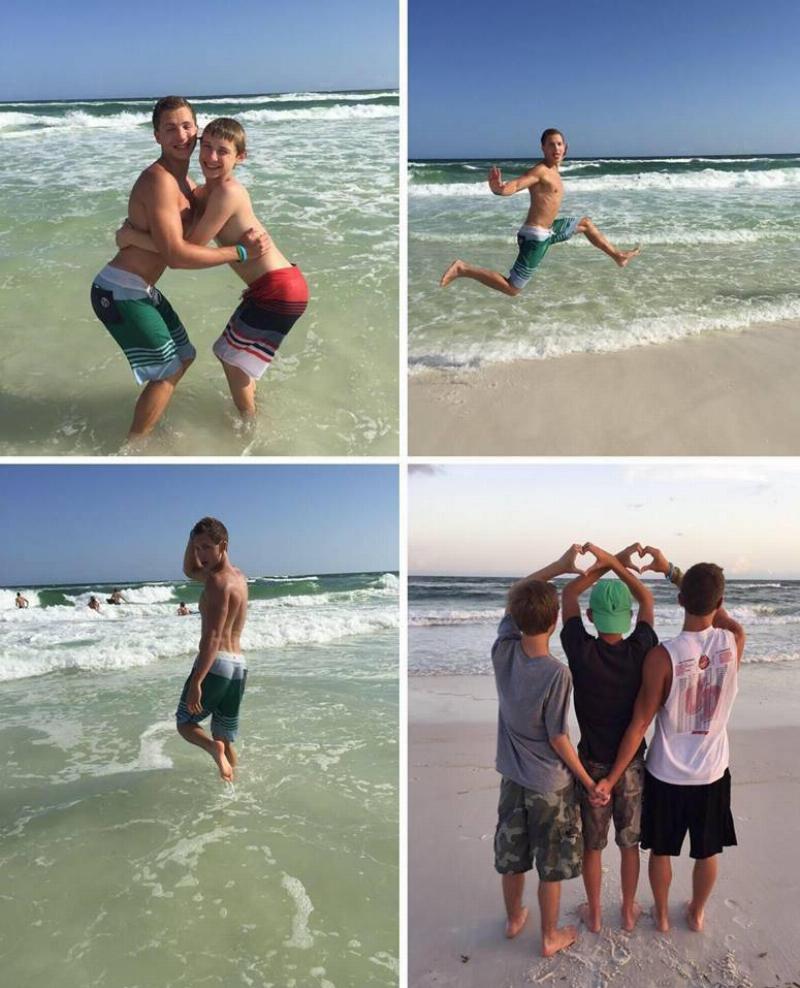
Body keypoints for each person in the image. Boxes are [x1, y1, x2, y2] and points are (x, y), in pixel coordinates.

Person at [90, 96, 270, 445]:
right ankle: (134, 447)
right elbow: (176, 254)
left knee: (184, 356)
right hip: (118, 290)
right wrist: (239, 252)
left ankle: (149, 423)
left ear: (197, 130)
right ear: (156, 136)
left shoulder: (186, 183)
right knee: (168, 370)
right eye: (170, 128)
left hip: (140, 288)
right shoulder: (158, 180)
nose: (181, 135)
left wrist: (133, 237)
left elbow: (185, 240)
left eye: (187, 126)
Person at [117, 117, 308, 423]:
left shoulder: (227, 193)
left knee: (230, 357)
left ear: (240, 157)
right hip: (274, 286)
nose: (212, 157)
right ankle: (253, 410)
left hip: (279, 287)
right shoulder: (206, 192)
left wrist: (132, 237)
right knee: (233, 354)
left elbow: (188, 248)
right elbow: (184, 223)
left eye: (223, 151)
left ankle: (249, 423)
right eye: (206, 147)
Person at [595, 563, 745, 933]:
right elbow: (722, 616)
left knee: (661, 850)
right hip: (711, 771)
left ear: (679, 602)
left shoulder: (662, 657)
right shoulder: (733, 640)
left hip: (667, 773)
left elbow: (639, 723)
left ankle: (661, 915)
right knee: (707, 851)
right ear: (720, 602)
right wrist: (671, 569)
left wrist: (611, 777)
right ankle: (696, 912)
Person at [492, 545, 609, 958]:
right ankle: (549, 935)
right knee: (551, 864)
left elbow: (519, 592)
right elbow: (559, 738)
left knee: (512, 855)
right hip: (550, 786)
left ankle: (513, 919)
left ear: (515, 616)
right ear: (556, 620)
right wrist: (588, 780)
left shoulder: (503, 651)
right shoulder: (557, 674)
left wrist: (558, 567)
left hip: (513, 779)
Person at [560, 543, 682, 932]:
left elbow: (568, 594)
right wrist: (619, 562)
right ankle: (628, 911)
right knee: (629, 845)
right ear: (629, 618)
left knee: (593, 846)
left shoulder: (579, 650)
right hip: (630, 766)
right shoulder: (642, 648)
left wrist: (604, 563)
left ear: (590, 617)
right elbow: (647, 598)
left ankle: (595, 914)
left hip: (590, 767)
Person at [440, 128, 640, 296]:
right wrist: (499, 189)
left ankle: (617, 256)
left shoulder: (555, 170)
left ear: (565, 148)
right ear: (543, 148)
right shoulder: (541, 171)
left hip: (550, 231)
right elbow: (517, 184)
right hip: (535, 238)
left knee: (585, 223)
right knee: (512, 288)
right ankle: (463, 269)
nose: (556, 148)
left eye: (559, 144)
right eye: (551, 145)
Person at [176, 517, 248, 782]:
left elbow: (213, 637)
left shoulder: (216, 582)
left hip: (216, 665)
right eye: (197, 548)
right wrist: (192, 539)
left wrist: (197, 680)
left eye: (206, 547)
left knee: (185, 722)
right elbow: (189, 569)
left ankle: (212, 749)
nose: (200, 555)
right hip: (239, 666)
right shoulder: (239, 578)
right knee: (224, 736)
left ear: (223, 545)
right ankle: (234, 785)